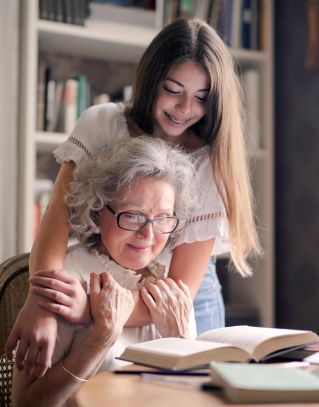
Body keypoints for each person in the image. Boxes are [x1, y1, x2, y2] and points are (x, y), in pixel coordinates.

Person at [6, 17, 260, 377]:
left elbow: (181, 288)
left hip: (182, 295)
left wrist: (89, 310)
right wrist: (40, 303)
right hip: (104, 274)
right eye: (173, 89)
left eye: (201, 97)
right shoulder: (103, 124)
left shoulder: (209, 162)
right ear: (151, 80)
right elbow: (55, 225)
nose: (185, 108)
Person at [12, 136, 196, 407]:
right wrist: (99, 341)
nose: (148, 233)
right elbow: (26, 403)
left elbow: (192, 399)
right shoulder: (66, 280)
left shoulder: (171, 289)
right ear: (97, 210)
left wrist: (180, 342)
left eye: (162, 218)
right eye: (133, 215)